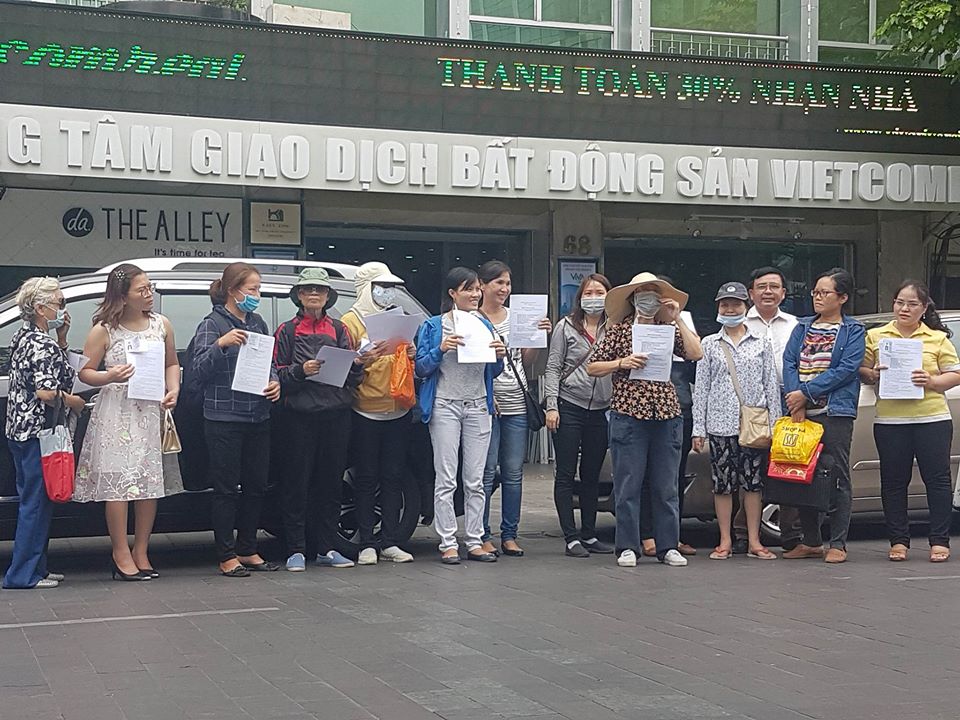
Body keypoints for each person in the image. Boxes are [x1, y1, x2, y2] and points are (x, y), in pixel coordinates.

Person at [74, 264, 182, 581]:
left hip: (150, 410)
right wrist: (109, 375)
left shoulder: (161, 324)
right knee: (118, 484)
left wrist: (173, 389)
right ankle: (120, 551)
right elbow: (85, 372)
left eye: (150, 287)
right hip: (117, 411)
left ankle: (142, 550)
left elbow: (172, 363)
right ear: (122, 296)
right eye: (142, 289)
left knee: (148, 484)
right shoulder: (104, 329)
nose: (149, 294)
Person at [587, 273, 702, 569]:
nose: (649, 299)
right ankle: (628, 546)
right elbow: (593, 366)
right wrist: (621, 363)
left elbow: (696, 352)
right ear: (633, 298)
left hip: (666, 413)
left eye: (654, 294)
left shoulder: (668, 329)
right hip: (628, 414)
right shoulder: (618, 330)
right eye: (643, 294)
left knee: (666, 485)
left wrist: (677, 318)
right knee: (628, 484)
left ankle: (668, 545)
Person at [191, 262, 282, 577]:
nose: (257, 295)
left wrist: (274, 382)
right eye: (252, 289)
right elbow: (197, 371)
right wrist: (221, 344)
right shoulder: (212, 324)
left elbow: (269, 362)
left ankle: (248, 547)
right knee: (226, 489)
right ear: (232, 291)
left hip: (257, 414)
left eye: (259, 289)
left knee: (256, 486)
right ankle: (226, 554)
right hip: (223, 416)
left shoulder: (257, 322)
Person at [860, 280, 960, 563]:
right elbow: (861, 369)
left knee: (937, 480)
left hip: (932, 418)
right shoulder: (876, 336)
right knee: (893, 481)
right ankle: (898, 541)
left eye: (912, 304)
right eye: (900, 302)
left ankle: (939, 541)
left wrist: (932, 381)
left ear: (924, 308)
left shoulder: (937, 338)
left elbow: (955, 373)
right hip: (890, 420)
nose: (904, 308)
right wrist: (874, 374)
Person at [274, 268, 365, 571]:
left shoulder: (340, 329)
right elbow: (276, 373)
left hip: (336, 416)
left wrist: (357, 364)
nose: (314, 294)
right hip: (298, 418)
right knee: (295, 483)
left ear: (328, 296)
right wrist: (301, 371)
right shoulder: (286, 331)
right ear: (299, 295)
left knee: (331, 484)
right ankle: (295, 549)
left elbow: (353, 378)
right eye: (308, 289)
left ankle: (327, 547)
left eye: (320, 290)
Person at [415, 267, 506, 564]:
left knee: (476, 479)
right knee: (446, 477)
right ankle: (448, 542)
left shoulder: (485, 324)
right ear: (452, 293)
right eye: (468, 289)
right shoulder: (434, 325)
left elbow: (493, 371)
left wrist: (499, 355)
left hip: (478, 405)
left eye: (477, 289)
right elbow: (421, 368)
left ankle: (475, 540)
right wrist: (441, 349)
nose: (475, 294)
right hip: (445, 404)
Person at [3, 277, 85, 589]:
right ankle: (23, 574)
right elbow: (47, 392)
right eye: (59, 303)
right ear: (40, 308)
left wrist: (62, 339)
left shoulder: (23, 337)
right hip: (39, 432)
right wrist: (73, 401)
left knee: (34, 499)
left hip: (19, 429)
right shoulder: (42, 344)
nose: (62, 309)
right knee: (36, 503)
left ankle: (36, 567)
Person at [692, 282, 781, 561]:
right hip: (720, 423)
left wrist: (776, 425)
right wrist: (698, 428)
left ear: (746, 306)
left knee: (753, 483)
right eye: (725, 304)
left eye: (735, 304)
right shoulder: (709, 344)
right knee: (722, 483)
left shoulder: (761, 342)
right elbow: (701, 389)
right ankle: (725, 540)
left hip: (754, 424)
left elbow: (771, 386)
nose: (730, 309)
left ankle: (754, 540)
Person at [782, 268, 865, 563]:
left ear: (842, 297)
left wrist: (805, 392)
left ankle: (838, 543)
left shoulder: (853, 330)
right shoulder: (802, 326)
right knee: (804, 475)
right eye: (815, 292)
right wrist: (796, 400)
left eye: (824, 292)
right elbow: (789, 362)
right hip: (802, 412)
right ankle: (811, 541)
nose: (817, 297)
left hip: (835, 412)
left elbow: (847, 369)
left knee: (838, 476)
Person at [340, 262, 417, 566]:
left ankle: (390, 541)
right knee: (366, 477)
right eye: (381, 287)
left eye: (390, 287)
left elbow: (406, 358)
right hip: (365, 410)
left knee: (393, 477)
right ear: (366, 288)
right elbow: (345, 365)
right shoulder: (350, 321)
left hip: (397, 408)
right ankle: (366, 543)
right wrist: (364, 358)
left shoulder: (397, 317)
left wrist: (410, 354)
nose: (387, 292)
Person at [477, 260, 551, 558]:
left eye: (507, 283)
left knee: (513, 472)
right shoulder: (473, 319)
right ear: (482, 285)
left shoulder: (517, 316)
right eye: (498, 283)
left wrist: (538, 337)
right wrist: (487, 394)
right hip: (487, 403)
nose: (504, 289)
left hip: (517, 402)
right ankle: (481, 534)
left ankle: (510, 534)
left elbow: (525, 360)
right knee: (485, 473)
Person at [544, 273, 614, 557]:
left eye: (600, 292)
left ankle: (589, 534)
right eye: (589, 292)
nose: (594, 298)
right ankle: (571, 537)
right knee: (565, 473)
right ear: (580, 297)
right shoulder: (566, 326)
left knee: (591, 475)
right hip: (569, 405)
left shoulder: (615, 327)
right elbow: (553, 367)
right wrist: (552, 405)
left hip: (601, 410)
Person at [738, 267, 798, 554]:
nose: (768, 292)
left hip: (789, 401)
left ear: (783, 293)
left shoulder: (795, 325)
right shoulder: (739, 323)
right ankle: (741, 532)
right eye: (761, 286)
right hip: (752, 404)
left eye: (774, 286)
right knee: (749, 468)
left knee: (789, 466)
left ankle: (791, 533)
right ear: (751, 293)